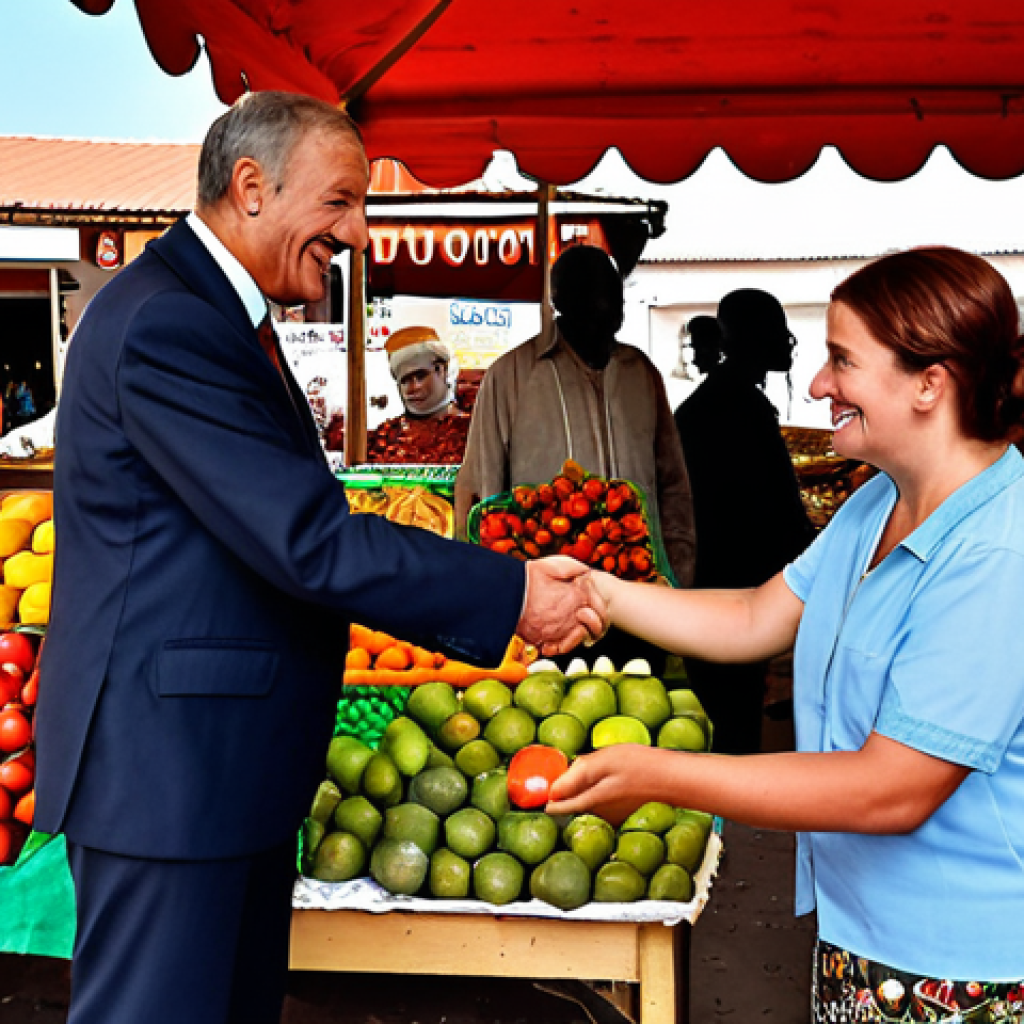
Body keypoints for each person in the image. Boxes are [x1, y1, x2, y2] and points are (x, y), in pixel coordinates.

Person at [34, 91, 604, 1024]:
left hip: (217, 770)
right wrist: (511, 594)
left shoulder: (214, 315)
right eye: (341, 201)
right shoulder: (170, 324)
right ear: (251, 188)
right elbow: (305, 538)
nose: (361, 231)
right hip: (172, 776)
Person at [548, 247, 1024, 1022]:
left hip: (965, 972)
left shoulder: (1001, 551)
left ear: (929, 384)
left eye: (843, 360)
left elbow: (891, 789)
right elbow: (753, 617)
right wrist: (599, 590)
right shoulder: (877, 506)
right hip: (861, 939)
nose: (817, 384)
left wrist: (661, 774)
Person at [454, 244, 696, 672]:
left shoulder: (641, 373)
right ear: (560, 302)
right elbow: (482, 491)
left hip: (642, 601)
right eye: (589, 295)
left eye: (612, 296)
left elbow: (672, 484)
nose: (605, 309)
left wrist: (677, 574)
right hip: (552, 611)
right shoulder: (512, 375)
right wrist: (491, 599)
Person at [674, 289, 815, 752]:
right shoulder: (737, 408)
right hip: (731, 591)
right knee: (733, 722)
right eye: (776, 327)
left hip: (717, 588)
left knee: (729, 716)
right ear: (753, 336)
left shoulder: (718, 403)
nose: (787, 340)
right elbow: (778, 511)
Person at [365, 325, 470, 463]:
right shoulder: (383, 437)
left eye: (420, 376)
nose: (414, 388)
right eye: (404, 381)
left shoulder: (472, 431)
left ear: (442, 370)